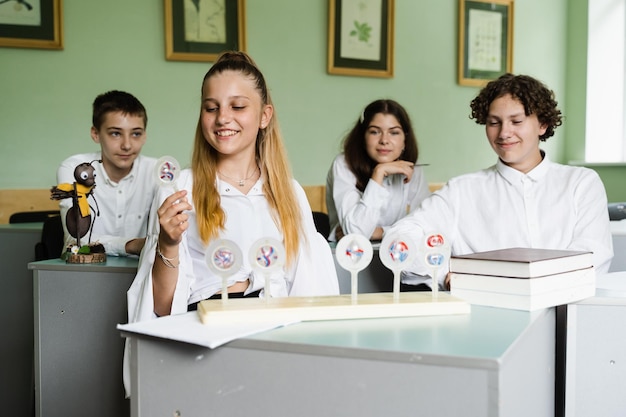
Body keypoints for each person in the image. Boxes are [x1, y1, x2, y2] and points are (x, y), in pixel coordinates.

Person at [127, 51, 339, 322]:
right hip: (208, 328)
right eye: (211, 108)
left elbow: (309, 292)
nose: (222, 118)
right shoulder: (180, 188)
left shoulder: (289, 192)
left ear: (264, 116)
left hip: (277, 327)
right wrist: (168, 244)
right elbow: (162, 308)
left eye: (237, 106)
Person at [385, 73, 613, 290]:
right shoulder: (462, 190)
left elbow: (593, 256)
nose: (504, 133)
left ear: (542, 124)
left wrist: (528, 284)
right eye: (494, 122)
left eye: (516, 121)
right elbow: (399, 238)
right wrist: (444, 272)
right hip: (485, 316)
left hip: (564, 314)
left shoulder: (581, 183)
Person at [56, 90, 157, 256]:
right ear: (95, 134)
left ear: (144, 135)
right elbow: (76, 239)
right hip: (83, 273)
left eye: (136, 134)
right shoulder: (75, 169)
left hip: (139, 276)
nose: (127, 145)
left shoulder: (156, 172)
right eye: (115, 133)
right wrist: (131, 245)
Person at [326, 99, 430, 243]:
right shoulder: (343, 164)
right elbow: (357, 233)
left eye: (394, 133)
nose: (384, 140)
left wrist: (380, 232)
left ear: (405, 139)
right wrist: (379, 172)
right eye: (375, 132)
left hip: (397, 254)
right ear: (363, 137)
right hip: (349, 257)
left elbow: (426, 225)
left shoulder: (411, 168)